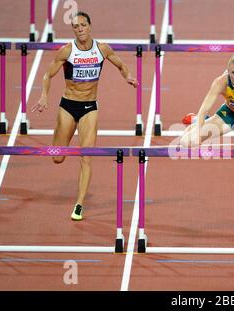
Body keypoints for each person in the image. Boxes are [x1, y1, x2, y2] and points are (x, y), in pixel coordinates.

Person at [31, 11, 138, 221]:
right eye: (75, 27)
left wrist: (128, 77)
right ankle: (63, 135)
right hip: (68, 106)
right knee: (57, 157)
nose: (79, 29)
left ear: (89, 26)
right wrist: (44, 95)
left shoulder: (102, 49)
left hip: (90, 107)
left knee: (86, 156)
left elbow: (120, 64)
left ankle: (79, 204)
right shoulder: (67, 51)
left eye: (82, 25)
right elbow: (47, 74)